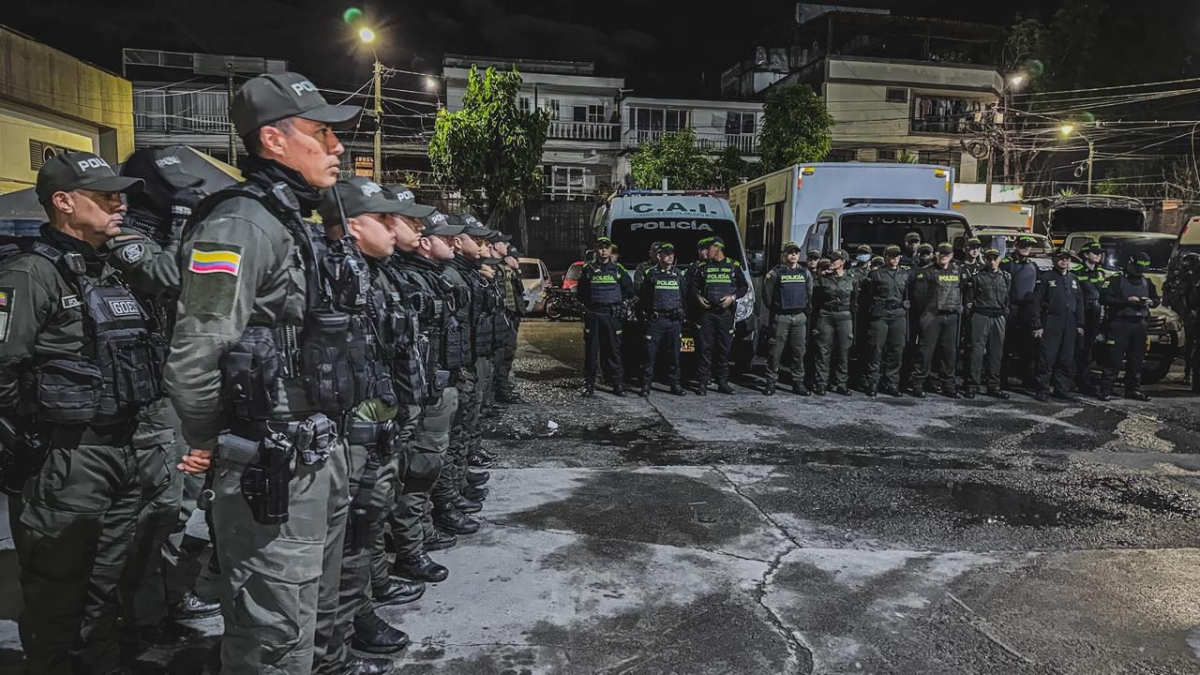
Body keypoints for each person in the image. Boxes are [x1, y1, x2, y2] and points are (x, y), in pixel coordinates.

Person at [165, 72, 387, 675]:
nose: (337, 147)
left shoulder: (295, 220)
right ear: (274, 139)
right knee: (272, 629)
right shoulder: (241, 223)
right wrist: (216, 441)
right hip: (271, 456)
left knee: (311, 602)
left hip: (318, 444)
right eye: (321, 133)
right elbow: (197, 352)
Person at [0, 151, 164, 675]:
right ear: (64, 203)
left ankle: (102, 663)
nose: (120, 205)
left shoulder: (117, 268)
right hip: (65, 457)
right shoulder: (29, 273)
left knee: (107, 580)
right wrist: (26, 440)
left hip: (123, 446)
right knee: (55, 587)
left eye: (121, 195)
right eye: (106, 196)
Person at [312, 178, 432, 675]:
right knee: (343, 545)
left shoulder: (377, 275)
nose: (396, 226)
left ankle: (355, 621)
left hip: (378, 426)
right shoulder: (332, 275)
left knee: (363, 537)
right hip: (350, 434)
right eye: (384, 218)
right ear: (353, 225)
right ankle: (331, 653)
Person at [111, 149, 223, 649]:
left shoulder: (167, 234)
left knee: (190, 503)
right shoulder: (129, 236)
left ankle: (173, 595)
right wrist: (180, 219)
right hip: (153, 400)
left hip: (180, 387)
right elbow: (168, 277)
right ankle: (144, 612)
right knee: (163, 508)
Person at [392, 210, 471, 585]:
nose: (454, 242)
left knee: (427, 465)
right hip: (418, 391)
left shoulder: (432, 278)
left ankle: (419, 535)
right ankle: (409, 548)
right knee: (417, 469)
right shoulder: (406, 278)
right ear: (425, 245)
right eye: (446, 237)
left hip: (436, 384)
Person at [1097, 252, 1159, 402]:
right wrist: (1126, 301)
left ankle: (1132, 389)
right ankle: (1106, 389)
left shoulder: (1146, 281)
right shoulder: (1116, 279)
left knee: (1136, 360)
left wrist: (1151, 302)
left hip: (1140, 325)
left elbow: (1156, 299)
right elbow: (1104, 298)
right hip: (1120, 324)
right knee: (1114, 359)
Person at [577, 236, 634, 396]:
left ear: (610, 250)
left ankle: (617, 385)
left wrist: (620, 304)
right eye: (600, 247)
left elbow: (629, 290)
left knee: (614, 352)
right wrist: (588, 308)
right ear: (596, 249)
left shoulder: (618, 269)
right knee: (591, 352)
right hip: (594, 314)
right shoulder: (588, 269)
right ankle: (589, 385)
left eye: (606, 247)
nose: (603, 250)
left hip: (611, 315)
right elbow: (582, 292)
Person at [692, 236, 748, 395]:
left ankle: (722, 382)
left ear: (717, 248)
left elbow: (744, 286)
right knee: (705, 349)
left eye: (707, 248)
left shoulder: (734, 266)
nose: (704, 252)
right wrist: (698, 297)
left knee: (724, 349)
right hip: (707, 314)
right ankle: (702, 383)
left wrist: (732, 298)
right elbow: (693, 286)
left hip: (725, 315)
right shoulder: (703, 267)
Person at [909, 243, 963, 398]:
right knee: (925, 351)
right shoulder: (927, 272)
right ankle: (918, 384)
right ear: (935, 255)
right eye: (941, 253)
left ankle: (948, 385)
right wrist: (924, 317)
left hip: (951, 316)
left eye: (947, 253)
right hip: (931, 316)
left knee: (949, 353)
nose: (944, 256)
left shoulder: (958, 271)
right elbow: (918, 298)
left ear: (952, 255)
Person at [1030, 248, 1085, 402]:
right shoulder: (1046, 278)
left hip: (1070, 323)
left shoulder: (1074, 279)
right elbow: (1036, 303)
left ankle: (1062, 389)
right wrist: (1037, 325)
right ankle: (1042, 390)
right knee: (1047, 358)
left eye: (1067, 258)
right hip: (1051, 321)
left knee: (1066, 358)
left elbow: (1079, 303)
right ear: (1054, 259)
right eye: (1061, 258)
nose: (1064, 261)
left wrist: (1080, 324)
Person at [762, 241, 813, 396]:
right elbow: (767, 295)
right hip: (781, 317)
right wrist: (777, 309)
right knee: (775, 351)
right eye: (790, 252)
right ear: (784, 255)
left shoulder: (805, 272)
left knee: (799, 352)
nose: (793, 255)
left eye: (796, 252)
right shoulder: (775, 273)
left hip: (799, 317)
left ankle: (798, 383)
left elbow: (809, 293)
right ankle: (771, 383)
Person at [638, 242, 688, 396]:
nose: (670, 256)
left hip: (674, 321)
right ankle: (646, 386)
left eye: (672, 253)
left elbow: (684, 296)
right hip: (656, 320)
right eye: (667, 254)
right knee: (649, 355)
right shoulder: (651, 274)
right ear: (659, 256)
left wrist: (682, 315)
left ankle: (675, 385)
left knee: (674, 355)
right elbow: (644, 296)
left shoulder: (679, 275)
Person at [963, 247, 1012, 399]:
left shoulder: (1006, 277)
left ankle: (993, 385)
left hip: (998, 316)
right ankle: (972, 385)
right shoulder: (977, 277)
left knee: (996, 353)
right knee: (976, 352)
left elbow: (1007, 299)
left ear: (999, 259)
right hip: (981, 316)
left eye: (994, 258)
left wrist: (1004, 314)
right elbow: (969, 301)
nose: (992, 261)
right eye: (989, 258)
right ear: (985, 259)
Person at [863, 245, 910, 398]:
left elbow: (907, 296)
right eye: (891, 255)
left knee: (896, 350)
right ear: (885, 257)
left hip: (898, 314)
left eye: (897, 255)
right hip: (880, 314)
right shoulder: (876, 274)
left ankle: (891, 383)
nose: (894, 258)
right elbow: (867, 297)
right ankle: (873, 382)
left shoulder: (905, 275)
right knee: (875, 349)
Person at [812, 249, 857, 396]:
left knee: (844, 351)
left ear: (843, 262)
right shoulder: (823, 279)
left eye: (835, 260)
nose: (831, 262)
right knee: (823, 351)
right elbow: (815, 298)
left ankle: (841, 383)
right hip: (826, 315)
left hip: (844, 316)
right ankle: (821, 383)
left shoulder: (852, 279)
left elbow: (856, 300)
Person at [489, 232, 526, 406]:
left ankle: (502, 389)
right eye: (504, 243)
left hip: (510, 316)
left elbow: (518, 292)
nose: (507, 246)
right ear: (497, 246)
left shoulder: (506, 269)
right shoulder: (491, 268)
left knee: (507, 354)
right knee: (498, 356)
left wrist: (516, 271)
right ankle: (497, 392)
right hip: (499, 319)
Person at [1001, 235, 1040, 390]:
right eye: (1023, 245)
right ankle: (1001, 379)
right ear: (1016, 245)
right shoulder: (1006, 263)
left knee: (1027, 348)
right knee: (1006, 346)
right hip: (1011, 308)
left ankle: (1027, 378)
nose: (1026, 248)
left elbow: (1037, 289)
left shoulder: (1033, 265)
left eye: (1029, 245)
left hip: (1027, 310)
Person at [1072, 240, 1107, 394]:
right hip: (1082, 313)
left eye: (1100, 253)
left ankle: (1083, 380)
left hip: (1096, 313)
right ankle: (1073, 379)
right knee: (1077, 348)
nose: (1099, 255)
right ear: (1086, 254)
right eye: (1095, 252)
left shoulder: (1101, 273)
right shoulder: (1077, 272)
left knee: (1089, 350)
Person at [1165, 252, 1200, 389]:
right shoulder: (1189, 277)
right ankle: (1189, 373)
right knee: (1190, 345)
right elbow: (1176, 295)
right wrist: (1186, 311)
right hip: (1192, 317)